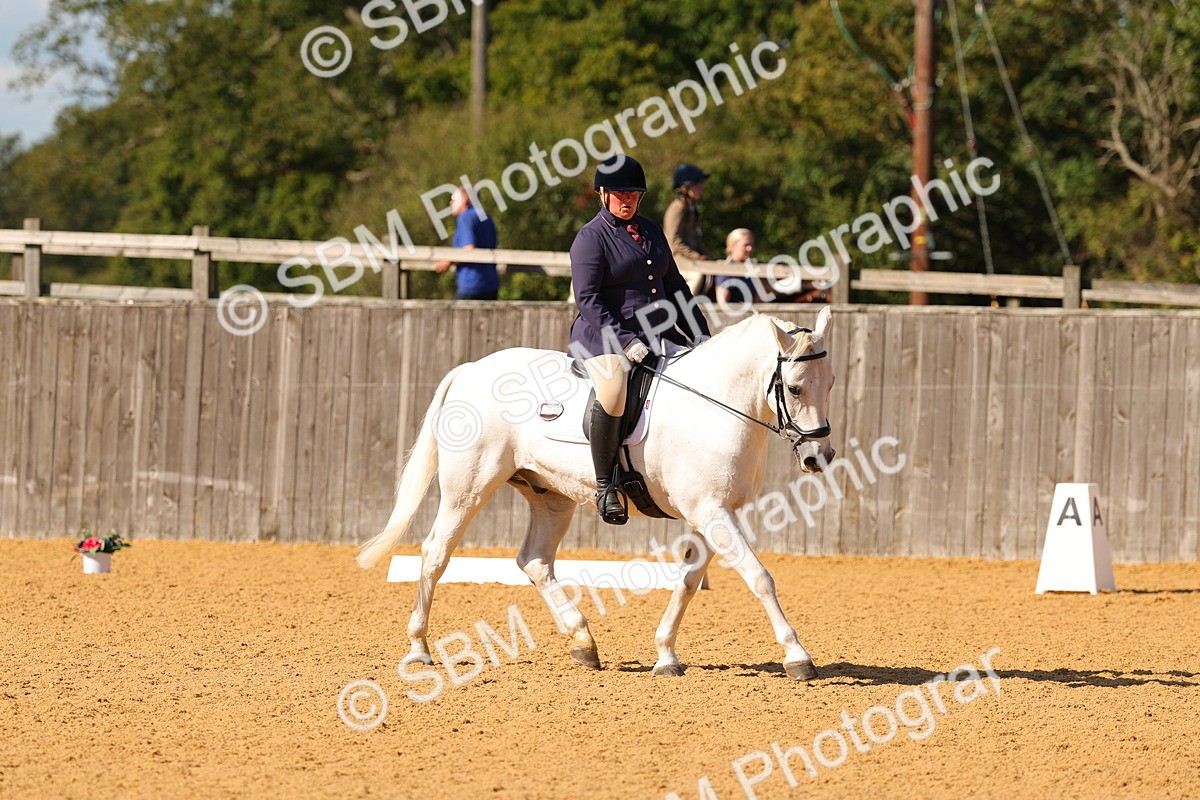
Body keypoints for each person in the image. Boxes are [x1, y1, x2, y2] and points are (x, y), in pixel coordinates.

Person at [569, 155, 711, 525]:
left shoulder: (650, 231)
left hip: (658, 334)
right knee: (615, 388)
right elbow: (588, 300)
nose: (627, 199)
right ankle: (606, 487)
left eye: (634, 193)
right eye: (619, 192)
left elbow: (676, 287)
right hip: (602, 336)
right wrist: (624, 339)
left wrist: (700, 335)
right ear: (603, 194)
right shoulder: (591, 238)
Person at [434, 186, 500, 300]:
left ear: (465, 200)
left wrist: (447, 261)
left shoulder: (465, 217)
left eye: (454, 198)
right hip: (491, 284)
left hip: (472, 285)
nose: (451, 202)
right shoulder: (486, 216)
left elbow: (469, 249)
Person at [663, 163, 713, 297]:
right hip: (677, 259)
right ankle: (685, 308)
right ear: (685, 188)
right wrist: (697, 256)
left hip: (689, 257)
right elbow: (674, 241)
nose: (701, 189)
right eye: (697, 185)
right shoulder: (677, 209)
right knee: (697, 276)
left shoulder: (691, 208)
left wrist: (707, 256)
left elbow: (695, 238)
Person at [715, 228, 771, 306]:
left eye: (751, 245)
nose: (750, 249)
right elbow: (722, 305)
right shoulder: (726, 270)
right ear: (732, 247)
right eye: (746, 245)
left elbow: (760, 300)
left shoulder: (753, 269)